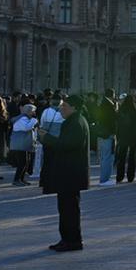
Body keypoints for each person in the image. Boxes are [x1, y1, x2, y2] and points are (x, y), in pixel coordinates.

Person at [41, 95, 89, 252]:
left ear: (74, 107)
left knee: (69, 209)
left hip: (71, 173)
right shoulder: (73, 121)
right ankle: (67, 238)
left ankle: (73, 241)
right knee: (66, 208)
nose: (61, 108)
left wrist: (47, 138)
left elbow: (67, 145)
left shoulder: (75, 123)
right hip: (69, 172)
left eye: (65, 106)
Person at [115, 91, 136, 183]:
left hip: (123, 137)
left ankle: (119, 176)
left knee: (121, 157)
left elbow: (117, 125)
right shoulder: (135, 112)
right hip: (133, 137)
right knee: (132, 158)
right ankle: (130, 176)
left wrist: (118, 136)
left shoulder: (121, 111)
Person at [93, 90, 117, 186]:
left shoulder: (103, 104)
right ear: (113, 95)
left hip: (103, 134)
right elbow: (112, 120)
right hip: (108, 134)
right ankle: (104, 179)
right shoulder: (109, 105)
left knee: (104, 156)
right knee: (108, 157)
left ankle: (104, 178)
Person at [9, 104, 37, 185]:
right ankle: (16, 180)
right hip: (20, 145)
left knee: (26, 162)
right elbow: (26, 128)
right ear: (28, 111)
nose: (34, 113)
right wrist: (34, 120)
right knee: (22, 163)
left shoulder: (25, 118)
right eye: (33, 111)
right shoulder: (22, 119)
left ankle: (21, 179)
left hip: (24, 144)